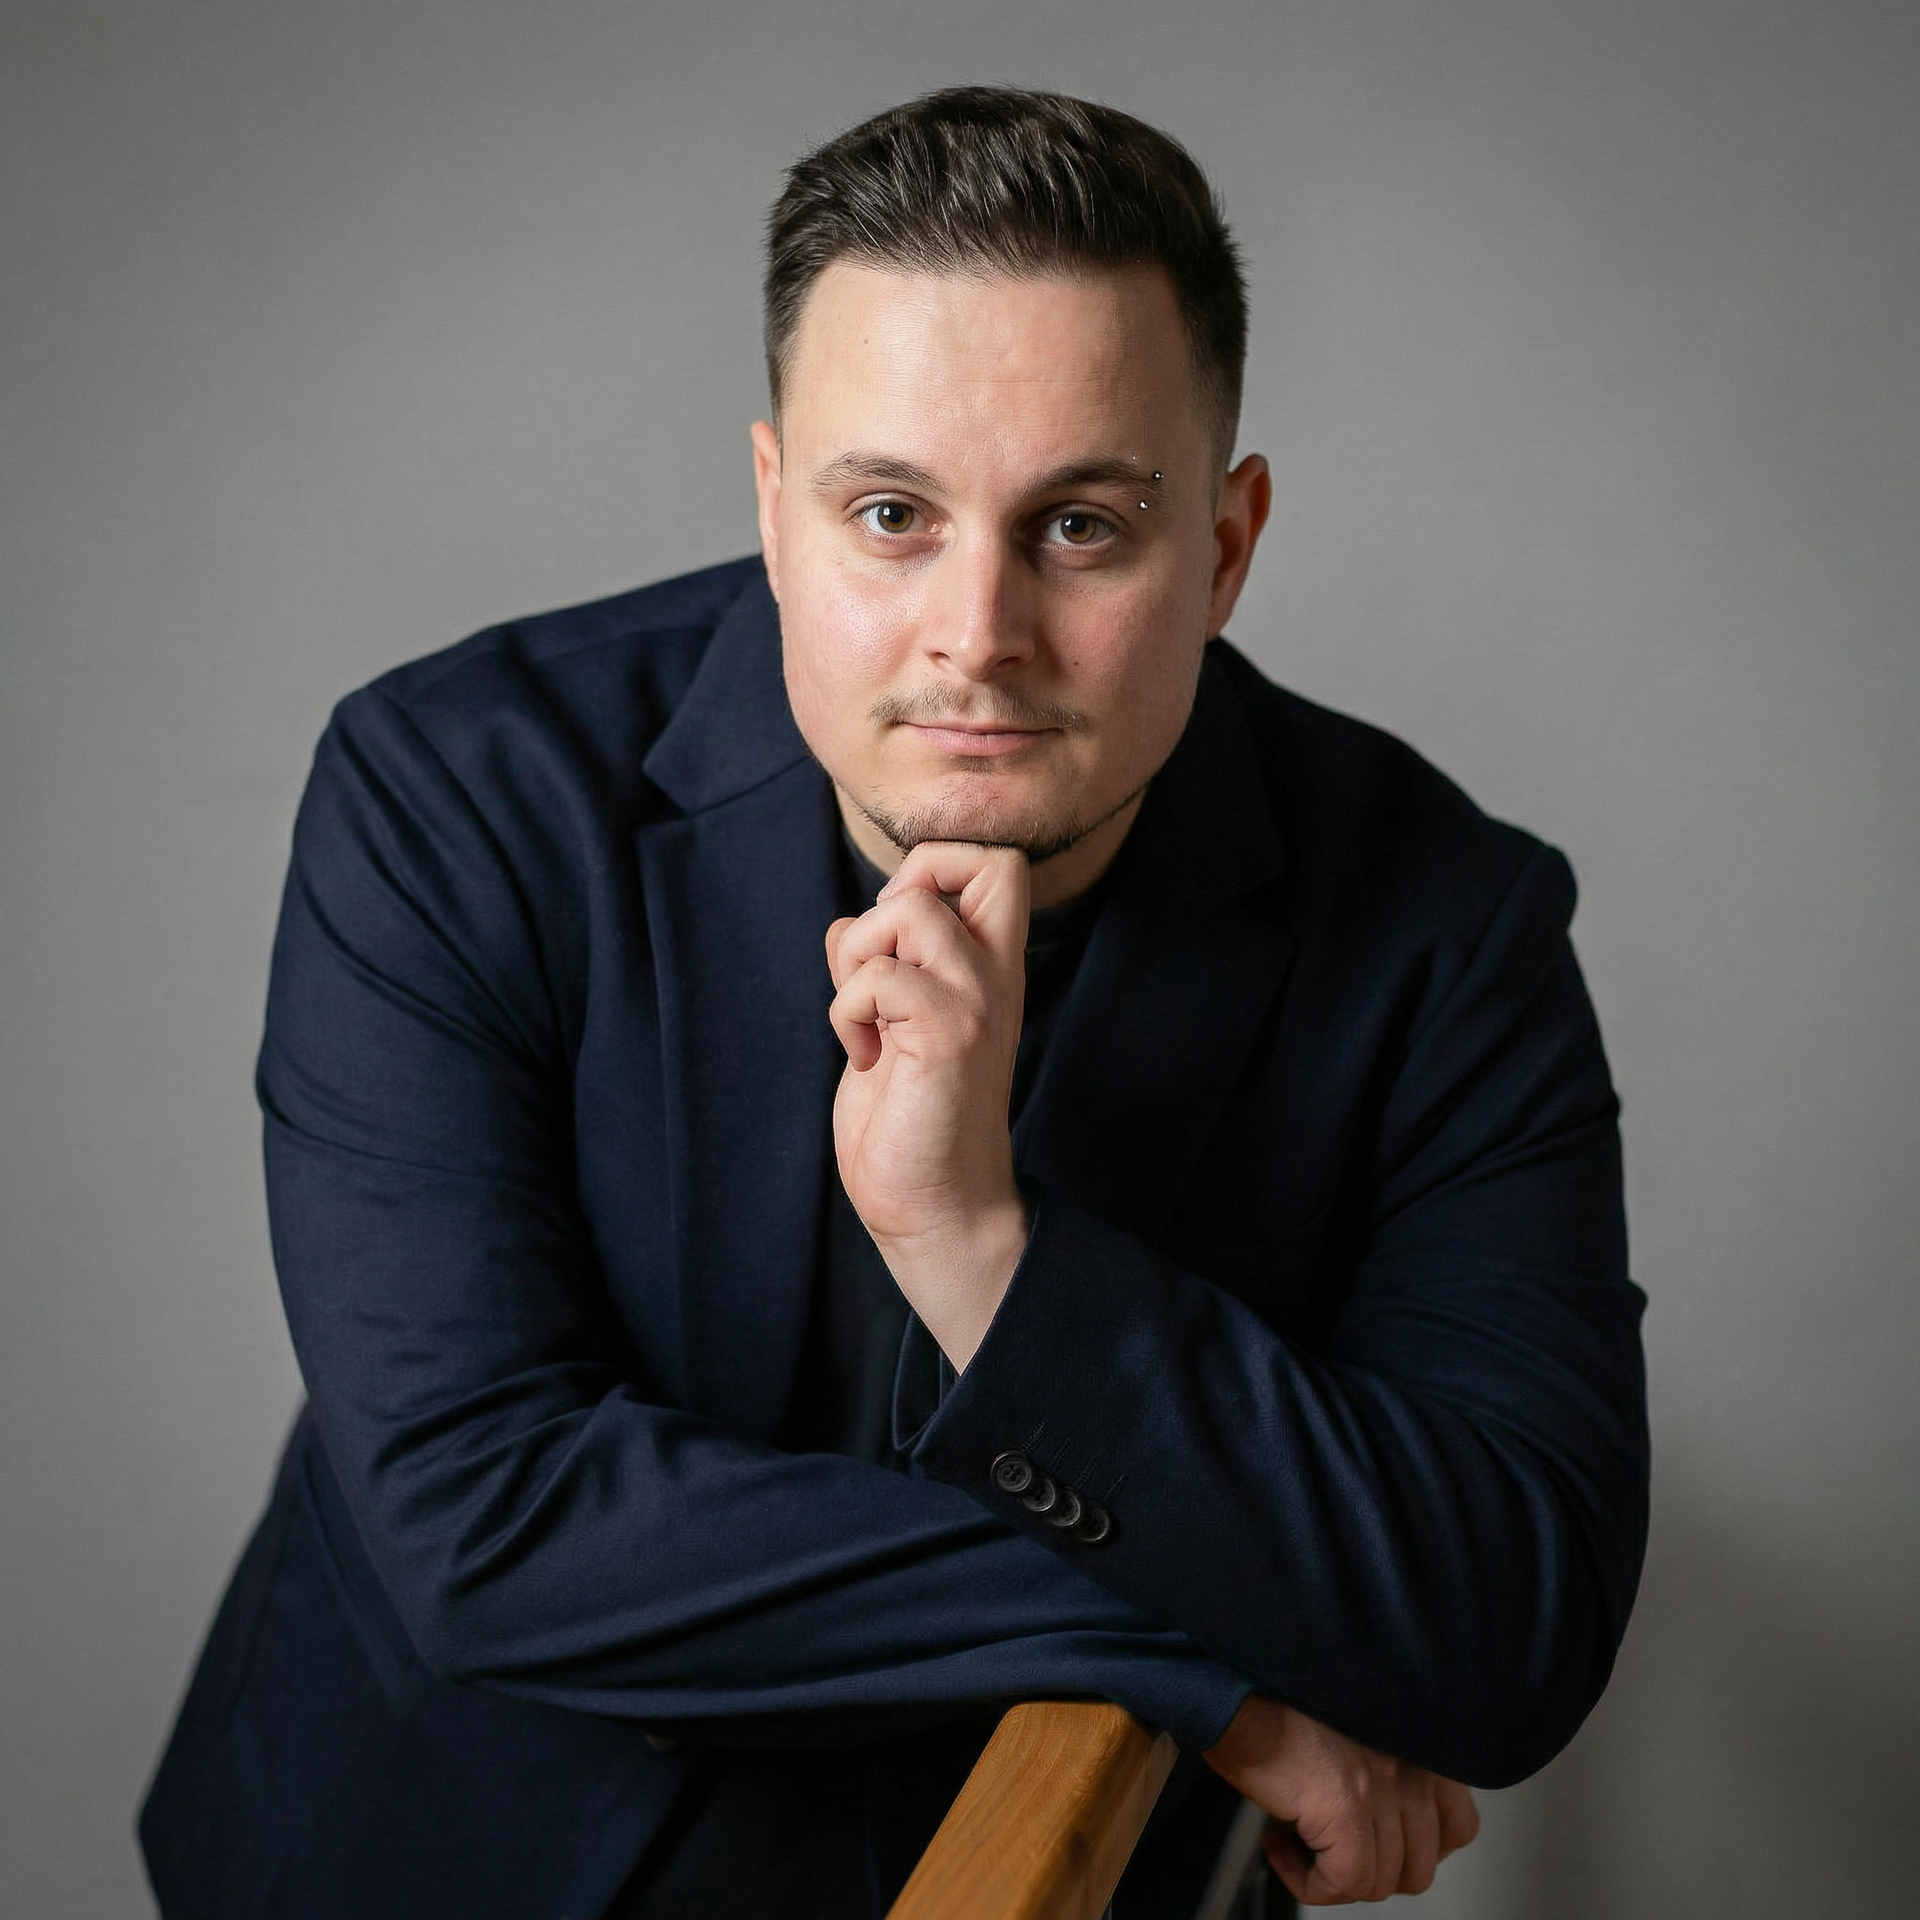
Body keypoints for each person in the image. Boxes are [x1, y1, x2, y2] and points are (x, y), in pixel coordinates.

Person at [139, 88, 1648, 1918]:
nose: (977, 632)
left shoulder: (1447, 928)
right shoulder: (453, 794)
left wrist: (981, 1250)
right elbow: (487, 1518)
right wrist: (1198, 1669)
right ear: (776, 512)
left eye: (1082, 526)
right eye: (889, 514)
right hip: (434, 1854)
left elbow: (1512, 1622)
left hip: (1066, 1869)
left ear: (1229, 547)